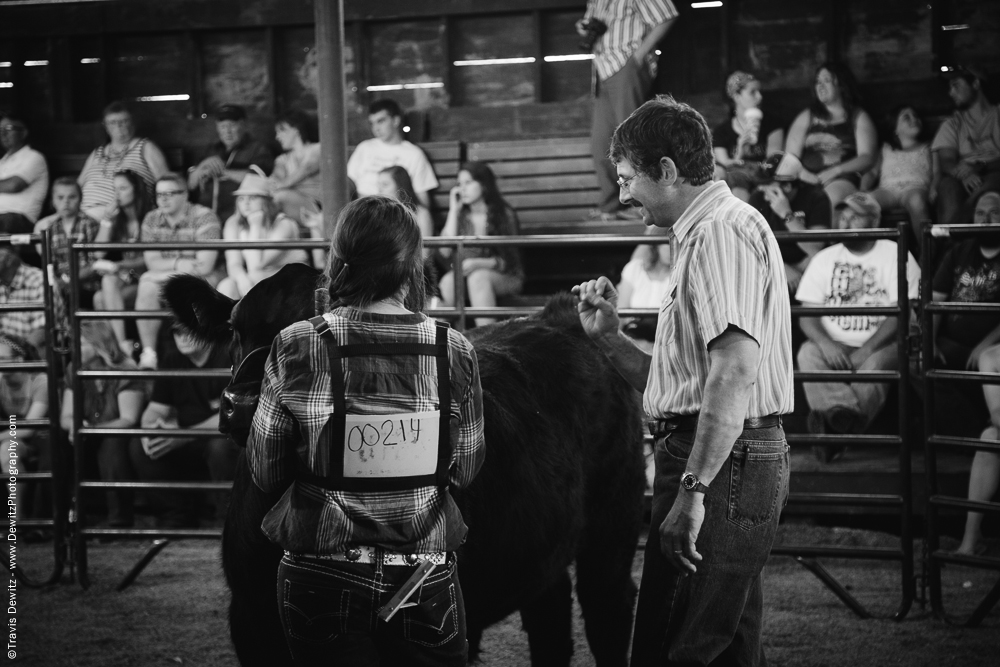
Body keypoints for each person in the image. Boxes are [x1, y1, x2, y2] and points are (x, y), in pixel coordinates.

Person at [572, 96, 792, 666]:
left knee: (682, 644)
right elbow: (687, 387)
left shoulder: (718, 232)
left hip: (720, 458)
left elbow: (735, 370)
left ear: (667, 170)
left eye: (627, 179)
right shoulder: (706, 231)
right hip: (722, 451)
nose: (621, 195)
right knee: (724, 639)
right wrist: (609, 339)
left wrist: (693, 491)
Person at [246, 195, 485, 665]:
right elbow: (467, 469)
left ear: (338, 261)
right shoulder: (453, 349)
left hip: (321, 571)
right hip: (422, 571)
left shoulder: (298, 344)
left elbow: (265, 470)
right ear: (412, 265)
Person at [795, 192, 920, 462]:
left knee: (878, 363)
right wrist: (825, 343)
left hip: (882, 344)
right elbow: (807, 315)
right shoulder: (825, 258)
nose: (846, 221)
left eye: (855, 216)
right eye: (844, 216)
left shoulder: (895, 252)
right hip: (835, 342)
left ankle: (832, 430)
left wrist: (868, 349)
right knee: (807, 353)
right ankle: (843, 424)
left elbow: (903, 313)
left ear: (874, 221)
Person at [930, 192, 1000, 555]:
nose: (986, 219)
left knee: (987, 364)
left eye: (994, 213)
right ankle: (970, 541)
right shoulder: (960, 251)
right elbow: (937, 300)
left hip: (984, 349)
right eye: (981, 213)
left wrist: (988, 341)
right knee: (917, 360)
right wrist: (930, 339)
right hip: (957, 346)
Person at [578, 0, 679, 217]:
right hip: (602, 70)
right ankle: (612, 206)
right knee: (601, 142)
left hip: (626, 65)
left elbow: (667, 15)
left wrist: (639, 55)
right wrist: (584, 27)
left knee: (632, 140)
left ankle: (640, 203)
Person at [130, 322, 234, 528]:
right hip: (185, 436)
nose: (182, 337)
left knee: (221, 446)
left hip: (220, 437)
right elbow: (156, 408)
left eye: (189, 331)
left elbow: (232, 417)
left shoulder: (228, 356)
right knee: (139, 444)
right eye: (177, 332)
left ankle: (230, 521)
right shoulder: (172, 358)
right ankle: (174, 515)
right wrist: (150, 428)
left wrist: (183, 434)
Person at [60, 321, 147, 527]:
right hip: (87, 429)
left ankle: (119, 518)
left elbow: (128, 419)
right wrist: (76, 424)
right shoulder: (75, 369)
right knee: (59, 441)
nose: (75, 349)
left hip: (117, 431)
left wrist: (91, 429)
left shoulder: (125, 368)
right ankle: (60, 519)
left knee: (112, 443)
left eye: (81, 344)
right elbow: (65, 416)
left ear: (99, 344)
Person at [135, 173, 222, 370]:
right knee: (147, 283)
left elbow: (205, 265)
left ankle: (203, 358)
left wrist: (166, 267)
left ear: (185, 195)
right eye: (159, 195)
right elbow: (151, 261)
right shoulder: (151, 218)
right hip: (176, 275)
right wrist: (179, 263)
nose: (163, 199)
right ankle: (149, 354)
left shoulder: (204, 216)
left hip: (206, 278)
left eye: (170, 193)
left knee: (154, 280)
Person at [785, 62, 878, 216]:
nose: (820, 86)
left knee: (828, 199)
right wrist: (803, 174)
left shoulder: (858, 117)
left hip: (842, 178)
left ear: (841, 85)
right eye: (817, 82)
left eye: (826, 81)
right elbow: (789, 156)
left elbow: (867, 157)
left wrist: (836, 170)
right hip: (805, 178)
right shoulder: (807, 116)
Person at [438, 161, 524, 327]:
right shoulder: (460, 216)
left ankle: (486, 338)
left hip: (505, 275)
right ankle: (455, 341)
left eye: (468, 183)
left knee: (478, 278)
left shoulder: (503, 215)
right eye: (459, 184)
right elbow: (445, 251)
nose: (462, 189)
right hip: (466, 277)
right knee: (449, 281)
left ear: (484, 185)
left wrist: (478, 264)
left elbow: (510, 262)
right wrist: (453, 211)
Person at [217, 169, 309, 300]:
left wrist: (256, 226)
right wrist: (242, 279)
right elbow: (233, 264)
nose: (246, 203)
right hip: (256, 279)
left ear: (267, 201)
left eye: (253, 198)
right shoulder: (234, 224)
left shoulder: (284, 224)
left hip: (290, 281)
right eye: (241, 199)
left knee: (256, 279)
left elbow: (257, 265)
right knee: (226, 286)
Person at [748, 152, 832, 294]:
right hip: (770, 267)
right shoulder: (757, 198)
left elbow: (815, 248)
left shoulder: (817, 197)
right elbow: (751, 245)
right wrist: (781, 268)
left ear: (786, 186)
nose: (761, 188)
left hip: (807, 269)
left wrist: (786, 214)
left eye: (767, 184)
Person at [91, 169, 153, 351]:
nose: (117, 194)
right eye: (114, 189)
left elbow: (149, 258)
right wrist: (107, 220)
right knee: (100, 293)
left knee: (102, 297)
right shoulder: (117, 220)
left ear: (136, 189)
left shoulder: (151, 217)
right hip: (129, 280)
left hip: (148, 280)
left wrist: (118, 265)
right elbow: (98, 253)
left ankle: (119, 350)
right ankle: (122, 346)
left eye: (123, 188)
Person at [78, 101, 170, 222]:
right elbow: (78, 185)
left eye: (124, 121)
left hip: (121, 215)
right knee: (45, 225)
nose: (119, 126)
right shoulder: (97, 153)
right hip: (83, 214)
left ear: (133, 123)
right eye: (112, 122)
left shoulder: (146, 147)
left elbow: (167, 182)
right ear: (105, 126)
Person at [932, 66, 1000, 226]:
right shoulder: (952, 123)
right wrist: (965, 174)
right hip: (964, 175)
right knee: (947, 187)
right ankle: (952, 244)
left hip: (995, 171)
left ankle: (951, 236)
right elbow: (947, 161)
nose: (951, 93)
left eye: (956, 85)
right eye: (949, 87)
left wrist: (981, 166)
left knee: (988, 185)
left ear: (975, 83)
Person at [187, 104, 275, 223]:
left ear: (244, 125)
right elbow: (191, 183)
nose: (227, 131)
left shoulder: (257, 149)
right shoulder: (211, 150)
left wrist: (222, 171)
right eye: (223, 126)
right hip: (206, 219)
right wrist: (204, 165)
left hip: (241, 218)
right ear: (217, 128)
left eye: (232, 125)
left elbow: (257, 180)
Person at [347, 99, 439, 209]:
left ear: (395, 121)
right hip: (362, 209)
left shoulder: (413, 154)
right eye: (372, 123)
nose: (376, 128)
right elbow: (348, 183)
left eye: (381, 121)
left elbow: (423, 201)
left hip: (394, 212)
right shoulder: (364, 148)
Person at [866, 105, 934, 250]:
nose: (913, 119)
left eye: (915, 116)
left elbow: (938, 172)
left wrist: (934, 188)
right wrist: (862, 188)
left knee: (917, 202)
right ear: (895, 128)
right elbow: (872, 172)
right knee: (863, 201)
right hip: (887, 190)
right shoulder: (886, 148)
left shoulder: (929, 148)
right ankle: (865, 249)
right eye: (906, 117)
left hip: (915, 188)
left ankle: (928, 253)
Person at [712, 71, 786, 201]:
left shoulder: (772, 125)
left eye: (759, 91)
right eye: (753, 92)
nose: (759, 97)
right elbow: (723, 167)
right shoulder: (721, 131)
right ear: (737, 96)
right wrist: (739, 154)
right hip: (736, 183)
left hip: (764, 180)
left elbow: (773, 162)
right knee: (734, 177)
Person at [0, 333, 49, 520]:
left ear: (19, 360)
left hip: (41, 441)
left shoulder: (39, 381)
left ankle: (16, 519)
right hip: (12, 436)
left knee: (8, 450)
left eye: (2, 359)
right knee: (7, 448)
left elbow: (29, 428)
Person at [33, 177, 102, 309]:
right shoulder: (50, 228)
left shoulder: (89, 224)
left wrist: (67, 281)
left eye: (72, 197)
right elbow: (50, 264)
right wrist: (56, 282)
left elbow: (94, 264)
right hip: (60, 287)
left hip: (88, 286)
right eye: (60, 197)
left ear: (80, 199)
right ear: (53, 201)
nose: (66, 202)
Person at [617, 226, 673, 352]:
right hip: (635, 337)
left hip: (666, 340)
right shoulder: (635, 268)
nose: (672, 250)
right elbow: (621, 311)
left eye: (676, 245)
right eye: (667, 244)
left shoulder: (681, 273)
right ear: (656, 246)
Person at [0, 113, 48, 243]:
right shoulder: (3, 161)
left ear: (24, 132)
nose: (3, 133)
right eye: (0, 129)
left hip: (20, 219)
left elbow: (13, 185)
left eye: (8, 128)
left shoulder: (34, 157)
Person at [268, 109, 322, 223]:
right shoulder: (282, 159)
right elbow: (274, 181)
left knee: (280, 197)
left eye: (281, 130)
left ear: (296, 129)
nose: (277, 137)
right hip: (289, 204)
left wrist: (281, 185)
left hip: (317, 205)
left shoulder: (318, 149)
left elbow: (305, 169)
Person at [0, 245, 45, 351]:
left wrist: (20, 351)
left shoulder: (38, 280)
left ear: (9, 258)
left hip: (29, 351)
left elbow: (43, 330)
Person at [376, 165, 434, 241]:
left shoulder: (421, 214)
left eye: (385, 185)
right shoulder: (378, 213)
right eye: (378, 185)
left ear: (400, 186)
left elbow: (425, 250)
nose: (379, 190)